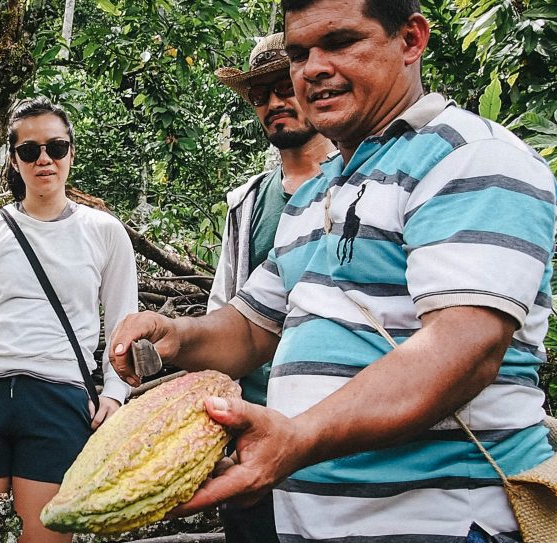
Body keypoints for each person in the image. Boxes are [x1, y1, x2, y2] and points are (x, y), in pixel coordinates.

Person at [109, 1, 557, 541]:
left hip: (446, 523)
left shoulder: (471, 159)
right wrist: (176, 335)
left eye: (341, 42)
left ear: (411, 40)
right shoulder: (318, 192)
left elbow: (463, 352)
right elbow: (252, 329)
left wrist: (297, 437)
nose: (312, 68)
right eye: (299, 53)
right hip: (318, 526)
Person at [0, 98, 137, 543]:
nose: (44, 159)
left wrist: (115, 395)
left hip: (57, 393)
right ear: (13, 158)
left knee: (43, 536)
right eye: (30, 150)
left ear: (71, 153)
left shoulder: (103, 230)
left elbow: (124, 320)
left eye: (56, 147)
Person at [209, 32, 335, 543]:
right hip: (253, 431)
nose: (273, 105)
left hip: (336, 429)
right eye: (259, 97)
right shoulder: (248, 204)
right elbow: (227, 309)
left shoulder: (355, 187)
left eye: (284, 88)